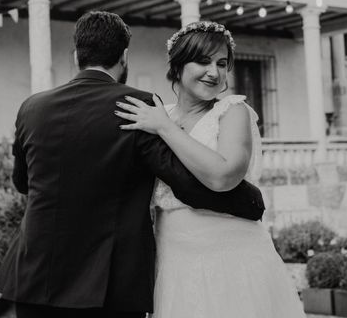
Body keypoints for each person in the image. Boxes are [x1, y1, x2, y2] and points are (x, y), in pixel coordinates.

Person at [0, 12, 265, 318]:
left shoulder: (31, 107)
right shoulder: (136, 106)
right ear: (124, 57)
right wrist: (250, 202)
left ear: (76, 56)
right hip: (107, 282)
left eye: (220, 63)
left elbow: (22, 183)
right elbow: (183, 182)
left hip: (34, 277)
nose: (213, 72)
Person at [115, 21, 305, 318]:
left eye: (221, 63)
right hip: (174, 261)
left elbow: (224, 176)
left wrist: (165, 129)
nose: (214, 72)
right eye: (202, 61)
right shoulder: (157, 115)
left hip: (232, 258)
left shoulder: (232, 111)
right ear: (177, 66)